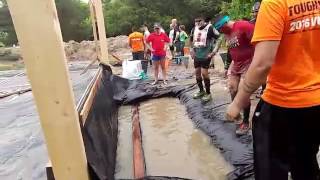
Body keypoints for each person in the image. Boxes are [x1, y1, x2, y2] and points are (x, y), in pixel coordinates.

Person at [226, 0, 320, 179]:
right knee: (305, 162)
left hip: (283, 103)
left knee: (270, 169)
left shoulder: (275, 4)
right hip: (316, 101)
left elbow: (262, 64)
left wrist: (237, 102)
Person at [214, 15, 255, 135]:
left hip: (249, 62)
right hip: (236, 64)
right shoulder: (226, 33)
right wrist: (227, 67)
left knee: (243, 91)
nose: (221, 33)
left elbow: (257, 42)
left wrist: (256, 62)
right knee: (232, 88)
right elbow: (230, 51)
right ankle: (237, 115)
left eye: (221, 30)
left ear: (225, 24)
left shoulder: (243, 25)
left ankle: (246, 122)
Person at [190, 17, 219, 102]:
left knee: (204, 73)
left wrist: (214, 51)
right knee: (197, 73)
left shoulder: (210, 28)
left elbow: (219, 38)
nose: (198, 23)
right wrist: (191, 50)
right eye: (196, 21)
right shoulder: (194, 29)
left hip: (206, 55)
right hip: (197, 55)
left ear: (203, 21)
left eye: (200, 21)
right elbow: (191, 40)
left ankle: (208, 93)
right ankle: (201, 91)